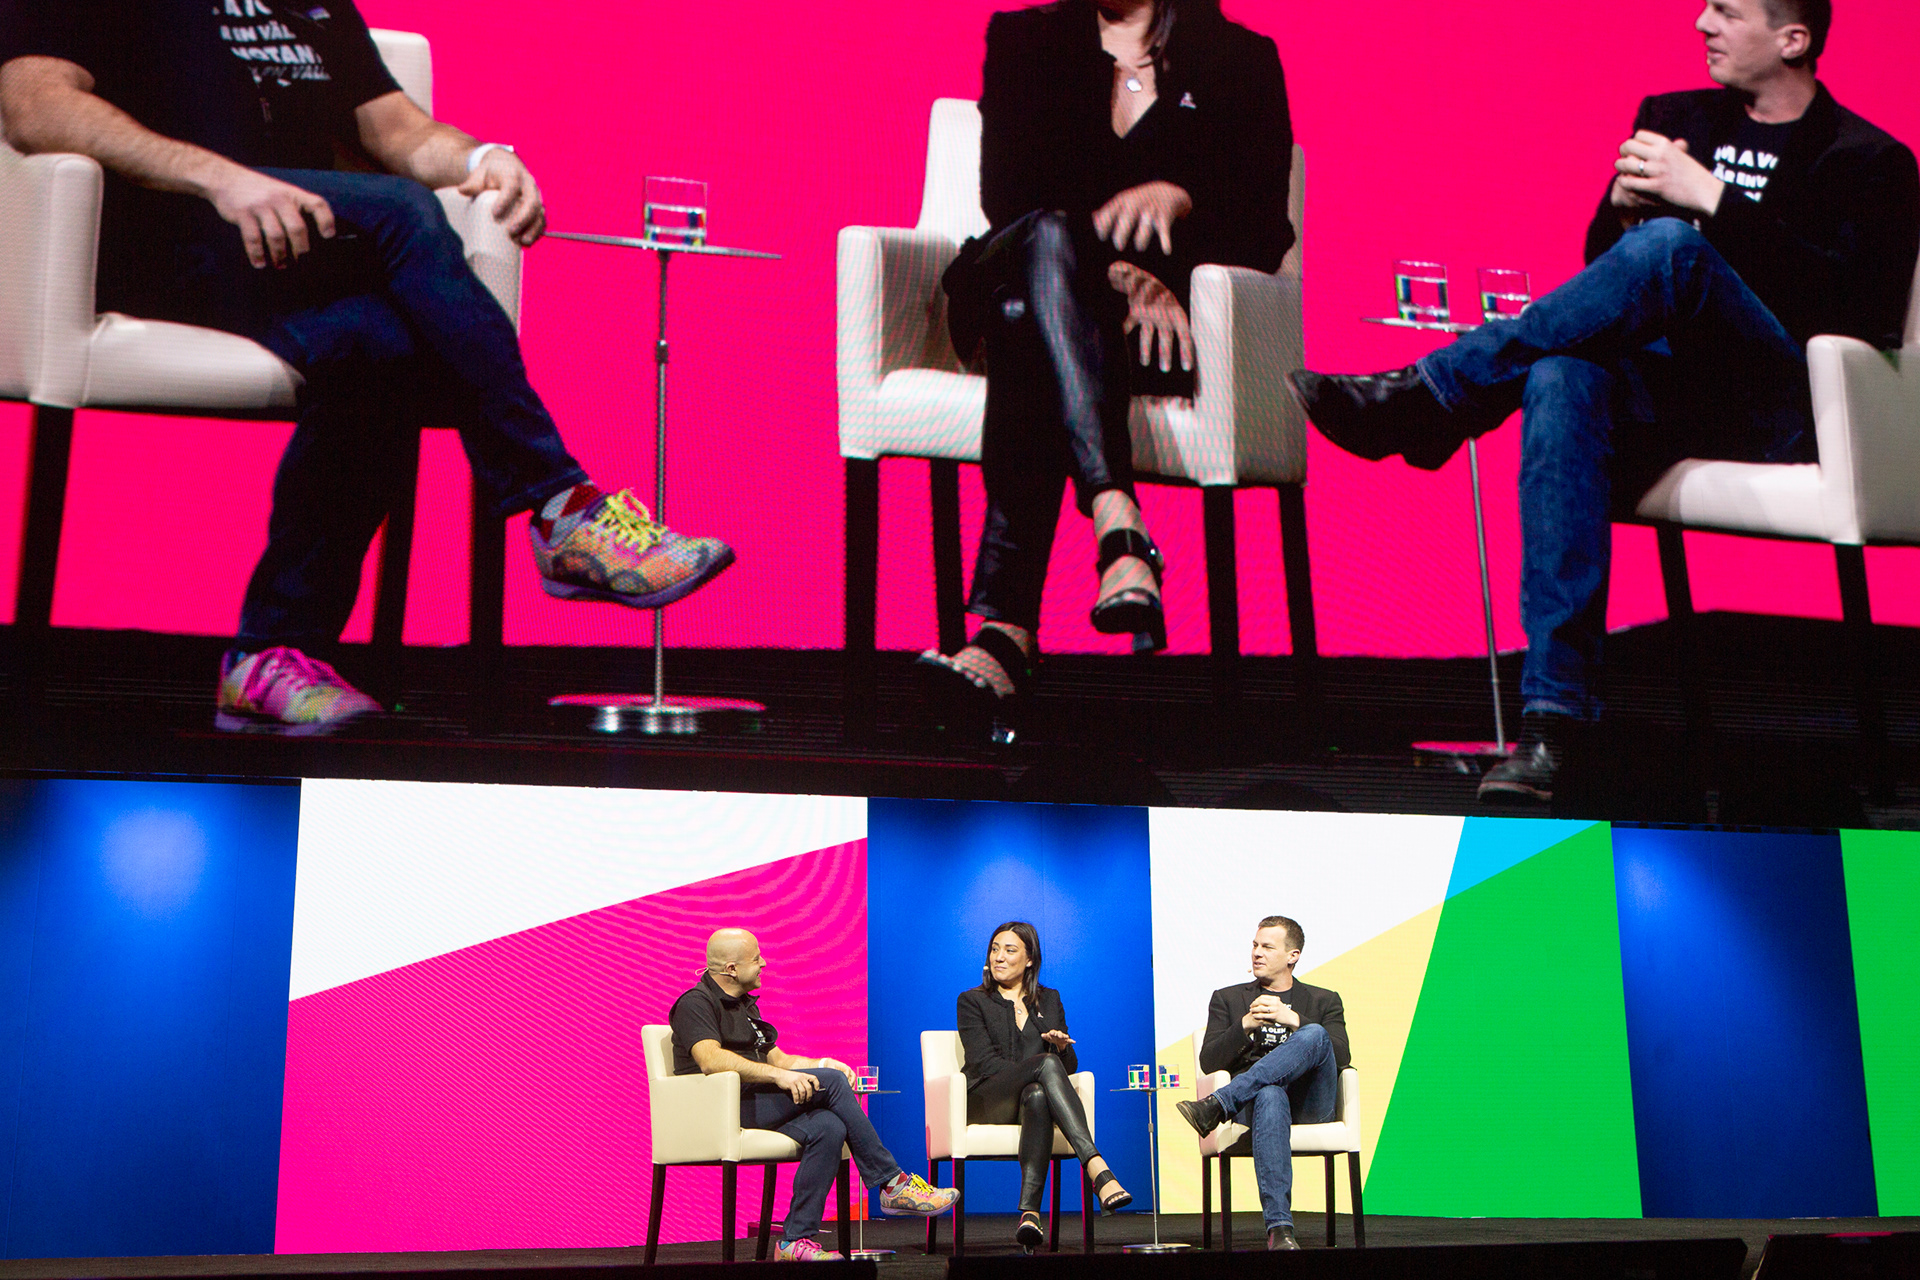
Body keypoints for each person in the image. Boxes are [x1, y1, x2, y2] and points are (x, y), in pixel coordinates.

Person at [0, 0, 735, 735]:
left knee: (390, 347)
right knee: (403, 211)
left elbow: (402, 133)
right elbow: (33, 107)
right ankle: (561, 511)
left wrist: (483, 159)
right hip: (160, 239)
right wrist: (219, 178)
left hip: (286, 250)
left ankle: (269, 658)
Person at [1290, 0, 1919, 803]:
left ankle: (1436, 395)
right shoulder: (1674, 117)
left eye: (1726, 11)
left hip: (1787, 411)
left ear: (1793, 39)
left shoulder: (1870, 158)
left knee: (1672, 248)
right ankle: (1555, 726)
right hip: (1670, 397)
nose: (1700, 22)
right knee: (1561, 374)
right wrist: (1623, 214)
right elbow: (1602, 274)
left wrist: (1713, 202)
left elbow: (1859, 316)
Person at [917, 0, 1293, 740]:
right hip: (1021, 274)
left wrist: (1180, 201)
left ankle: (1005, 634)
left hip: (1147, 334)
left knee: (1029, 324)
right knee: (1044, 257)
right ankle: (1116, 521)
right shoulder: (1025, 39)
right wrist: (1118, 272)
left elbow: (1264, 225)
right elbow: (1014, 200)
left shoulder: (1242, 60)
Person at [668, 929, 959, 1263]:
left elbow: (779, 1060)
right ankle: (893, 1184)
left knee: (829, 1127)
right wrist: (782, 1076)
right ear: (732, 969)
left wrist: (821, 1064)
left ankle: (794, 1241)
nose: (764, 963)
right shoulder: (695, 1003)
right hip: (720, 1110)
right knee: (833, 1084)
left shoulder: (744, 1007)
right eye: (756, 958)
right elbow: (710, 1059)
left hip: (752, 1103)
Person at [954, 921, 1131, 1252]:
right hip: (987, 1098)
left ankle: (1029, 1214)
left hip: (1029, 1101)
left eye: (1009, 950)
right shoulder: (972, 1000)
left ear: (1030, 959)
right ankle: (1097, 1168)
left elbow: (1068, 1069)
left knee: (1038, 1093)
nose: (999, 958)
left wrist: (1061, 1048)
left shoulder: (1049, 1000)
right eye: (994, 949)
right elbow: (983, 1063)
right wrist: (1039, 1065)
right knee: (1044, 1068)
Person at [1174, 915, 1346, 1252]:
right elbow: (1209, 1062)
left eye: (1267, 946)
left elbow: (1341, 1055)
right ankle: (1280, 1230)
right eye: (1254, 945)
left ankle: (1218, 1104)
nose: (1256, 953)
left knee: (1315, 1033)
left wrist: (1291, 1018)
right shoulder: (1228, 999)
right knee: (1270, 1093)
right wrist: (1245, 1024)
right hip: (1258, 1109)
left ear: (1292, 955)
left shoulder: (1323, 1001)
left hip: (1311, 1103)